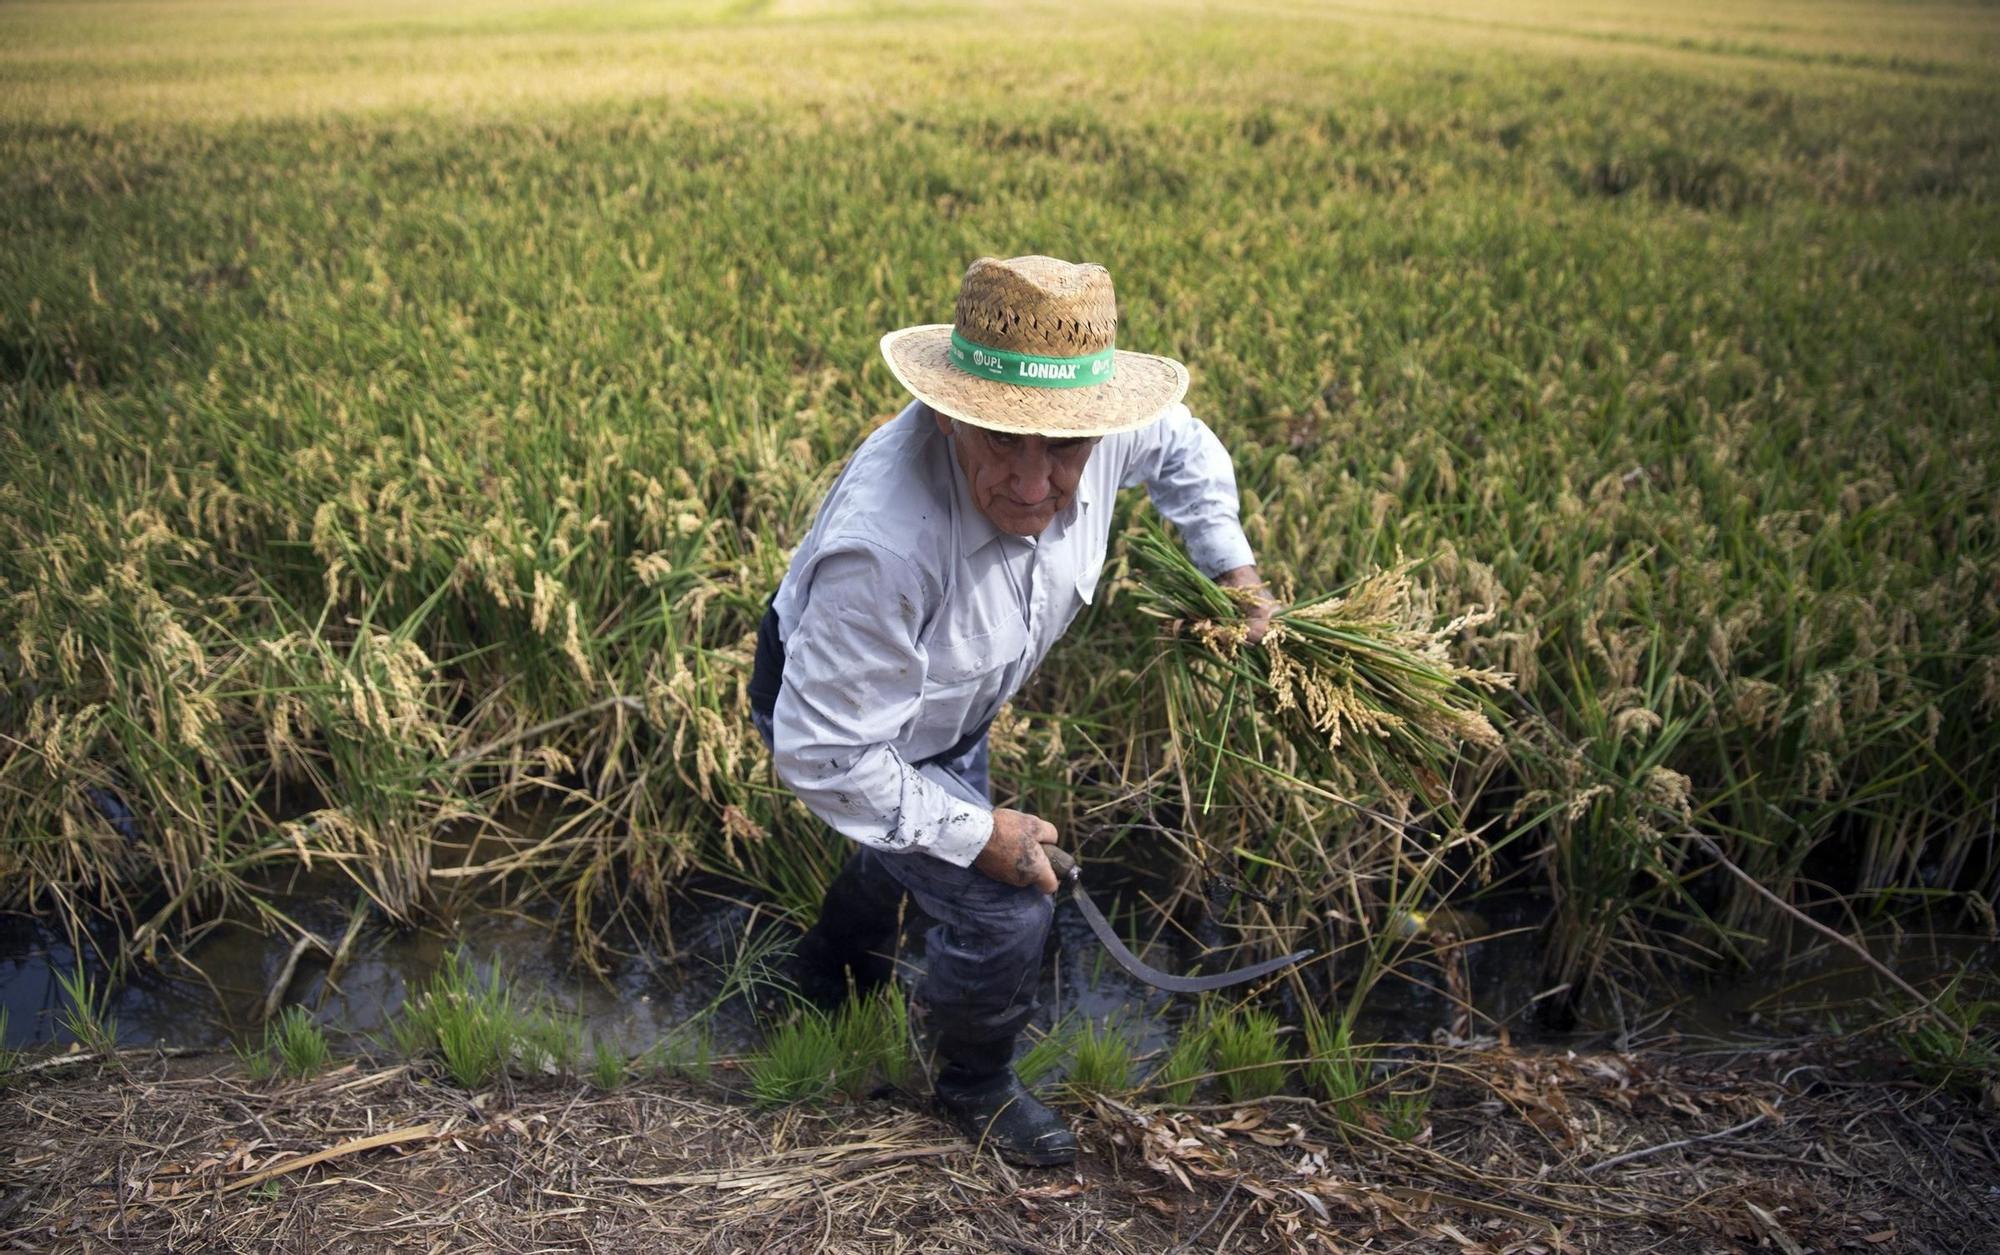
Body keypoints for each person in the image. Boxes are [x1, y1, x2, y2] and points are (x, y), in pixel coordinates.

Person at [746, 255, 1273, 1166]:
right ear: (950, 411)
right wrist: (979, 833)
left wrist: (1233, 569)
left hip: (950, 711)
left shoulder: (1113, 433)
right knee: (1004, 911)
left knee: (912, 842)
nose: (1033, 484)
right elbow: (828, 756)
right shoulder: (885, 546)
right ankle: (976, 1084)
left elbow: (1185, 446)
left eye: (1063, 447)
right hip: (842, 725)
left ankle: (824, 968)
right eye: (1000, 440)